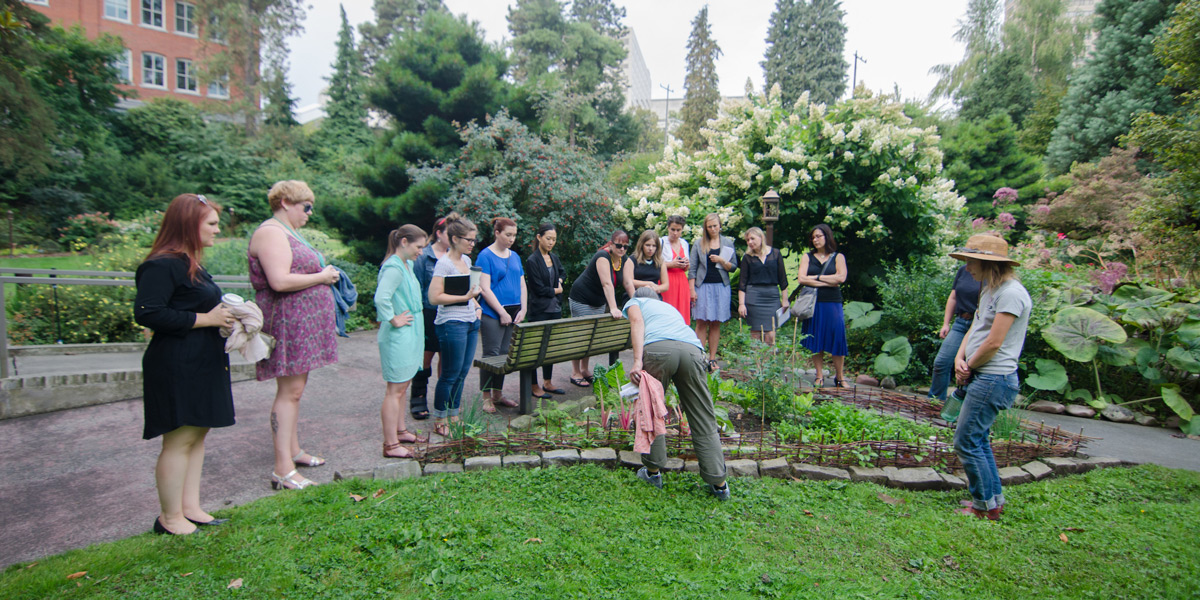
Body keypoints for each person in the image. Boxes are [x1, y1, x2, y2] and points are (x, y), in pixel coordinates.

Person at [134, 193, 235, 535]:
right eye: (211, 223)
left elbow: (196, 309)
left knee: (197, 433)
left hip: (203, 360)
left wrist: (222, 321)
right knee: (178, 440)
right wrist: (206, 319)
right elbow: (148, 312)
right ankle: (169, 517)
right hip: (177, 364)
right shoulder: (162, 265)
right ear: (188, 224)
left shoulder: (192, 264)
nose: (217, 230)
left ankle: (189, 507)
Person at [248, 180, 340, 490]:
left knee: (296, 389)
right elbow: (279, 281)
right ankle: (282, 469)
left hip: (300, 324)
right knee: (290, 391)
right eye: (307, 207)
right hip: (286, 322)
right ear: (286, 202)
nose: (310, 213)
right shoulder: (271, 232)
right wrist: (324, 276)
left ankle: (293, 450)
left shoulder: (288, 232)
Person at [951, 235, 1032, 521]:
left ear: (988, 263)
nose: (967, 267)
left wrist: (969, 365)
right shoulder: (989, 289)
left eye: (971, 261)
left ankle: (984, 506)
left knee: (966, 441)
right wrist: (960, 359)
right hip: (980, 374)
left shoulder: (1011, 293)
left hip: (993, 379)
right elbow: (975, 329)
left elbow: (994, 342)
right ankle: (992, 500)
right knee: (979, 440)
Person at [626, 287, 730, 501]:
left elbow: (636, 322)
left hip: (658, 350)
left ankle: (653, 472)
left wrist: (637, 361)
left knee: (652, 408)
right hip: (692, 351)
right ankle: (719, 482)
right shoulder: (669, 308)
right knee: (702, 414)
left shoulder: (636, 302)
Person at [375, 225, 429, 459]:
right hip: (399, 334)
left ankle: (401, 430)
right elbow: (381, 297)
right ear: (404, 242)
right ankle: (391, 445)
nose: (421, 252)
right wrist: (392, 319)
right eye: (418, 247)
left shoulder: (407, 264)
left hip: (411, 330)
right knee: (394, 389)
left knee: (403, 385)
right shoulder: (394, 267)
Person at [427, 213, 483, 438]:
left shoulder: (467, 261)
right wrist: (465, 298)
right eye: (469, 240)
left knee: (462, 372)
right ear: (455, 239)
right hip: (451, 323)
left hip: (470, 321)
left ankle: (454, 413)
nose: (472, 244)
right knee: (449, 373)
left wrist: (476, 304)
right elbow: (434, 298)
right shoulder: (444, 264)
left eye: (473, 240)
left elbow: (468, 292)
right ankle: (441, 418)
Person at [568, 230, 636, 386]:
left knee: (591, 337)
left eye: (625, 247)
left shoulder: (622, 258)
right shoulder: (602, 257)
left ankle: (585, 369)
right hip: (582, 298)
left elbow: (627, 283)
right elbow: (607, 283)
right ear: (611, 244)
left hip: (598, 301)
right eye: (618, 246)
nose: (622, 250)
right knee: (581, 335)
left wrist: (637, 302)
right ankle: (575, 372)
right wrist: (613, 307)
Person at [477, 217, 527, 413]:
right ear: (497, 233)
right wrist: (501, 312)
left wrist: (523, 309)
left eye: (514, 235)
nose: (512, 239)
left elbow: (522, 283)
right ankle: (486, 397)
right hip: (493, 313)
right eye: (508, 234)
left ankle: (498, 394)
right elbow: (484, 288)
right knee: (491, 355)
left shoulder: (514, 256)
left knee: (505, 354)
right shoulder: (485, 256)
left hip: (514, 312)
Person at [797, 224, 849, 388]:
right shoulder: (808, 257)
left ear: (827, 236)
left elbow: (841, 278)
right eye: (813, 237)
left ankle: (840, 376)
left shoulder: (838, 257)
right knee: (815, 338)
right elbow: (802, 279)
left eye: (819, 236)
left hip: (833, 302)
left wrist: (817, 277)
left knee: (837, 336)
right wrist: (828, 280)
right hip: (813, 303)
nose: (815, 240)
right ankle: (819, 375)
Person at [411, 216, 450, 421]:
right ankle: (418, 397)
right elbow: (416, 286)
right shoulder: (423, 256)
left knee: (446, 357)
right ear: (439, 233)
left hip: (448, 313)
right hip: (428, 312)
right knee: (425, 357)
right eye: (449, 233)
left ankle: (442, 400)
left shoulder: (454, 256)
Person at [688, 213, 737, 371]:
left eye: (715, 226)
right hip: (702, 287)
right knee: (701, 322)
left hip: (721, 287)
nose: (713, 229)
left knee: (716, 323)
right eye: (710, 226)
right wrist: (692, 290)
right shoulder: (699, 243)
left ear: (720, 225)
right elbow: (693, 270)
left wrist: (721, 260)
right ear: (706, 228)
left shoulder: (727, 242)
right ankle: (699, 357)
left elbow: (734, 267)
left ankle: (712, 359)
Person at [524, 223, 567, 399]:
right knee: (536, 349)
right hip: (539, 310)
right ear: (539, 237)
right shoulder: (532, 261)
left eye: (554, 240)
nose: (551, 242)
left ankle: (547, 382)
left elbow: (563, 273)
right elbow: (538, 289)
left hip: (554, 308)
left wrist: (560, 282)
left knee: (549, 349)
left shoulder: (554, 258)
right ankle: (534, 385)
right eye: (548, 238)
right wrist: (556, 290)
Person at [929, 264, 982, 402]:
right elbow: (953, 297)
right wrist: (946, 323)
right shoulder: (963, 270)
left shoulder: (990, 274)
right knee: (941, 362)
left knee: (969, 369)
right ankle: (934, 403)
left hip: (978, 325)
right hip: (960, 322)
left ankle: (964, 408)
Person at [738, 227, 789, 345]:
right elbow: (742, 283)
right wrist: (742, 304)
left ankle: (769, 361)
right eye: (747, 240)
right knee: (755, 334)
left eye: (752, 238)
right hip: (754, 297)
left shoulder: (775, 254)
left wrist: (785, 299)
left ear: (761, 237)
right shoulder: (747, 258)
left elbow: (783, 279)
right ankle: (757, 362)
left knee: (771, 334)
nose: (750, 242)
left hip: (772, 297)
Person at [660, 215, 691, 324]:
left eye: (678, 230)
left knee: (681, 312)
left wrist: (686, 264)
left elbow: (687, 268)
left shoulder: (684, 243)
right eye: (673, 229)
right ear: (668, 228)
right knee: (668, 311)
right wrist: (671, 264)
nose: (675, 233)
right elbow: (655, 264)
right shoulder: (661, 242)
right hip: (667, 280)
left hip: (681, 281)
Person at [632, 229, 669, 296]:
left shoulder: (660, 261)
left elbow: (666, 285)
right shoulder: (632, 259)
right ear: (641, 245)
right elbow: (628, 281)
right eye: (648, 245)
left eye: (654, 246)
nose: (651, 249)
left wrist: (654, 289)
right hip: (636, 294)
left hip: (654, 294)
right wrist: (648, 284)